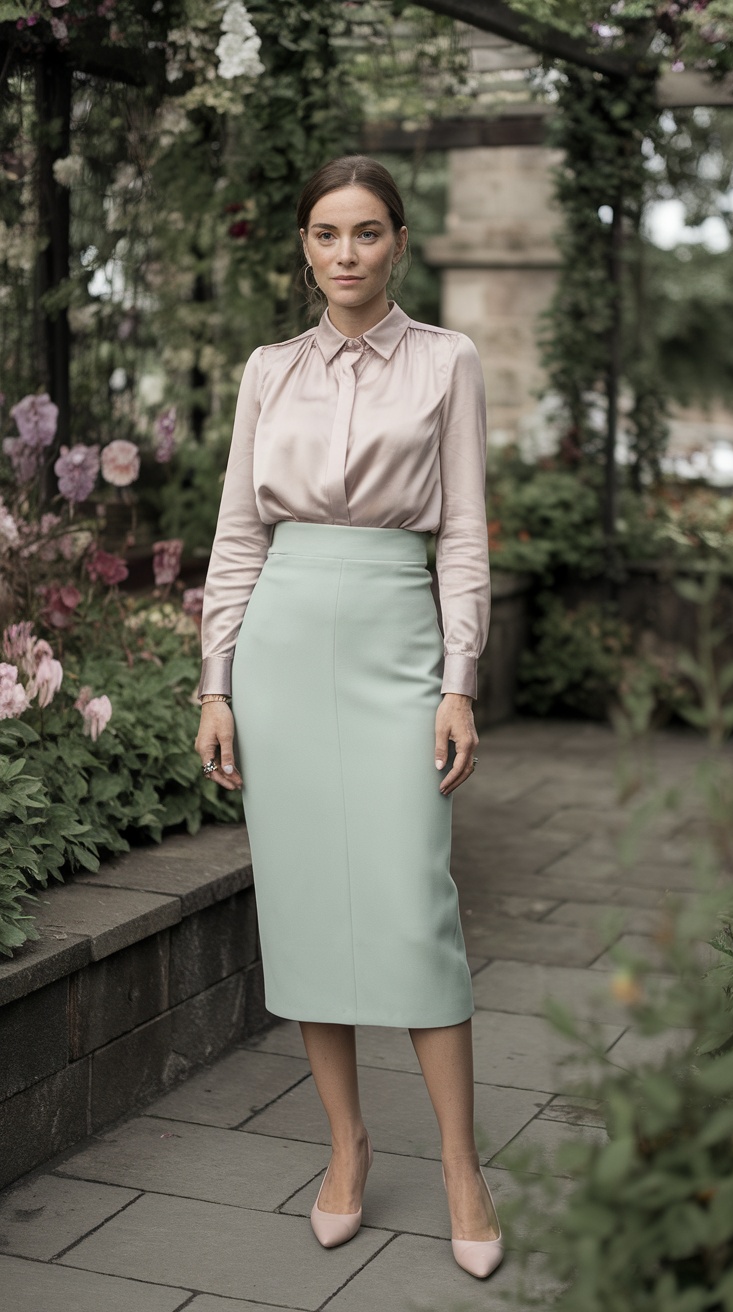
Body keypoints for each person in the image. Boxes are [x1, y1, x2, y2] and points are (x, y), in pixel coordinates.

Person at [194, 155, 500, 1280]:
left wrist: (458, 677)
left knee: (416, 905)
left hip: (395, 639)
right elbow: (236, 535)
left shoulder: (446, 362)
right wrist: (216, 683)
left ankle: (465, 1167)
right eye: (326, 233)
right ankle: (346, 1146)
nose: (345, 253)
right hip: (280, 643)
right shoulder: (267, 371)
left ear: (399, 242)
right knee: (313, 908)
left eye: (366, 232)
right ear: (304, 248)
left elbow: (464, 529)